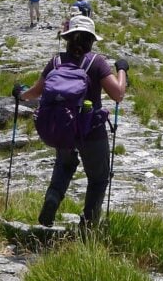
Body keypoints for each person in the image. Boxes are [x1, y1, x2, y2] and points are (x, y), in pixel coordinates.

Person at [14, 15, 127, 229]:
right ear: (91, 41)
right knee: (98, 178)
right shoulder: (97, 63)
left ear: (66, 39)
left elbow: (35, 93)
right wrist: (121, 69)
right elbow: (118, 94)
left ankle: (53, 198)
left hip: (64, 129)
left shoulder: (56, 62)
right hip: (91, 131)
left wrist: (20, 94)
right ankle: (88, 227)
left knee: (64, 165)